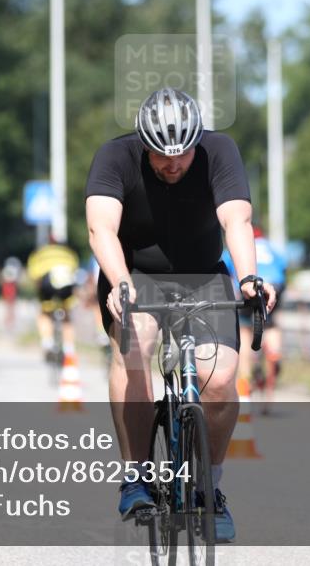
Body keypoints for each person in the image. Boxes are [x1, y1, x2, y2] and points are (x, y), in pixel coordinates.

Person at [85, 87, 277, 542]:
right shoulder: (115, 157)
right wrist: (120, 282)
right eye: (161, 156)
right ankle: (135, 476)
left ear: (197, 143)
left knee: (220, 378)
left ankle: (209, 487)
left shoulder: (219, 151)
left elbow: (236, 221)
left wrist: (249, 278)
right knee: (136, 348)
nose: (173, 164)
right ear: (143, 144)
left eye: (182, 155)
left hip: (203, 276)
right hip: (136, 275)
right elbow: (101, 228)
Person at [222, 226, 287, 411]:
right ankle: (273, 354)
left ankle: (245, 391)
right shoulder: (272, 248)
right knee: (271, 325)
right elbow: (283, 269)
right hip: (273, 286)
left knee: (244, 333)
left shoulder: (236, 245)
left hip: (250, 289)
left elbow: (228, 274)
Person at [26, 239, 79, 362]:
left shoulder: (39, 254)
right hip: (66, 286)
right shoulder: (70, 253)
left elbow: (34, 277)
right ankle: (69, 350)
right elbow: (75, 273)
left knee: (44, 314)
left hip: (47, 285)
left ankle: (47, 343)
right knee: (67, 316)